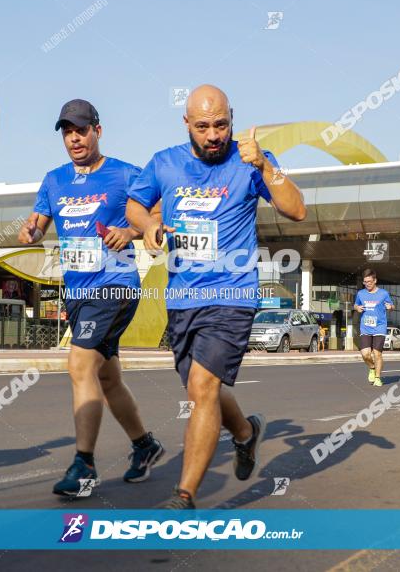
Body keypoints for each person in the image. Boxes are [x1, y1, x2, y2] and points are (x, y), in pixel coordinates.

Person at [126, 84, 306, 509]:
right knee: (198, 387)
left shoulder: (250, 161)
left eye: (221, 124)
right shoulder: (164, 163)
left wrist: (264, 165)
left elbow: (296, 209)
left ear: (233, 119)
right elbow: (135, 205)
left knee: (203, 386)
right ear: (186, 123)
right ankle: (245, 433)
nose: (213, 135)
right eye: (203, 126)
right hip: (182, 298)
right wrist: (147, 227)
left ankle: (184, 494)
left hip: (232, 295)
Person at [18, 99, 165, 496]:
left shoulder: (124, 174)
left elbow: (161, 204)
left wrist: (134, 232)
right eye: (67, 132)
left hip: (115, 286)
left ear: (97, 131)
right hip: (77, 290)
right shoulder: (54, 180)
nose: (74, 138)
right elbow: (39, 225)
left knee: (80, 364)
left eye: (81, 130)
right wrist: (31, 231)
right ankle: (145, 445)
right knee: (107, 378)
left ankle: (83, 467)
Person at [353, 269, 395, 386]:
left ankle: (377, 378)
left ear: (375, 280)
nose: (367, 284)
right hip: (365, 327)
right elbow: (356, 304)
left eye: (369, 282)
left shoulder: (383, 293)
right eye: (365, 282)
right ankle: (372, 367)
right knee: (365, 354)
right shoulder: (361, 293)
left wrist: (390, 307)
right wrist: (357, 308)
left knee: (377, 354)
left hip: (379, 327)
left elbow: (392, 305)